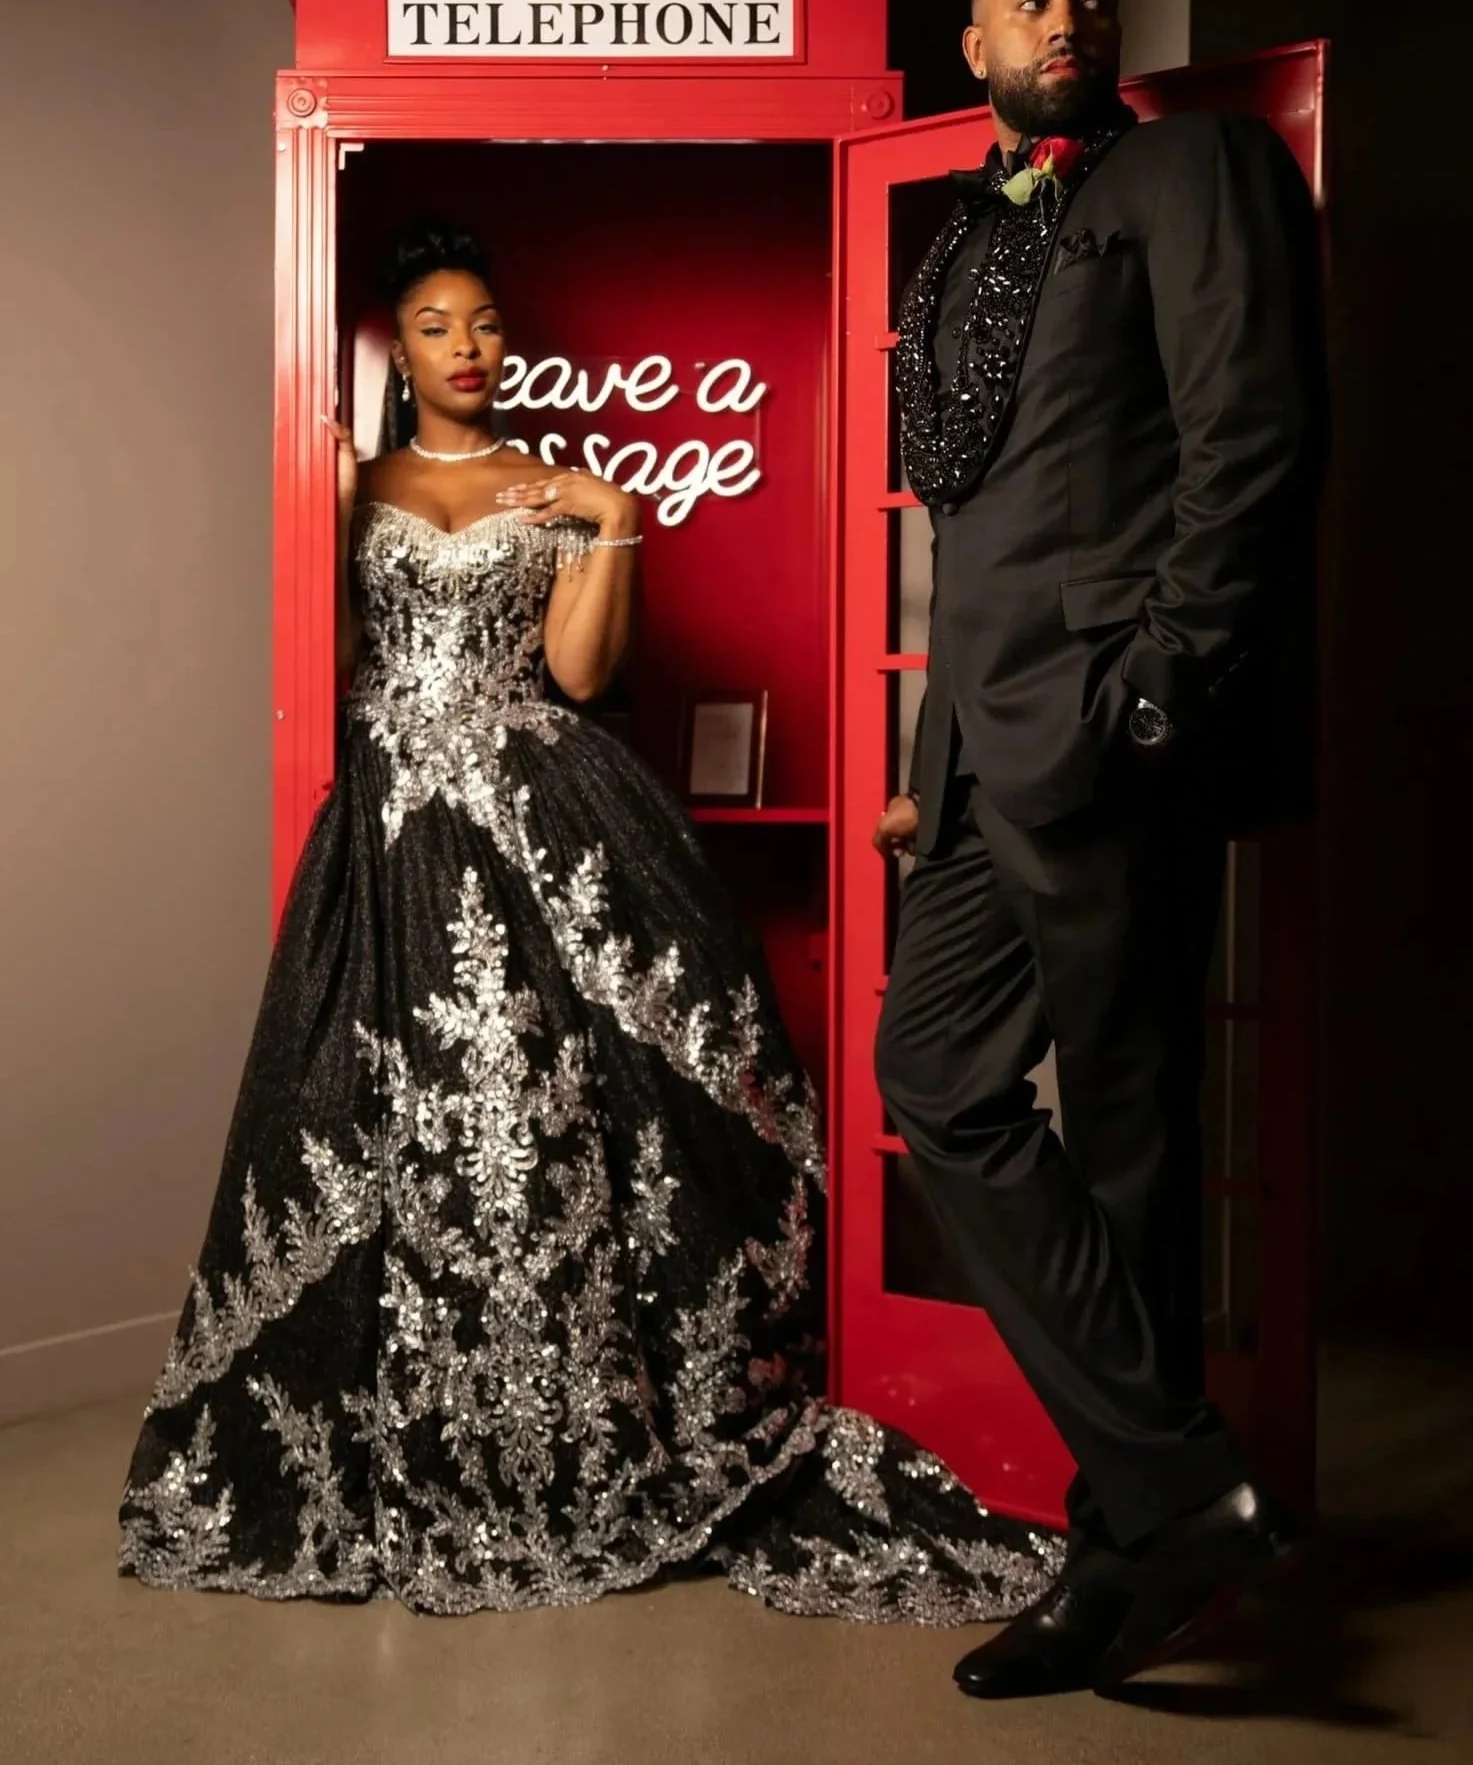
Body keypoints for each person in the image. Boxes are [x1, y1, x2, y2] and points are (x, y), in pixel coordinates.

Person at [118, 217, 1063, 1622]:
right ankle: (420, 1431)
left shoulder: (554, 486)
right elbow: (323, 659)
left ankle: (565, 1422)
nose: (470, 346)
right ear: (402, 346)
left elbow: (574, 671)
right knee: (389, 1122)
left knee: (554, 1116)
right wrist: (316, 511)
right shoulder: (349, 481)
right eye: (439, 325)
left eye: (488, 323)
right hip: (390, 831)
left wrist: (613, 521)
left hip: (529, 812)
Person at [872, 0, 1326, 1696]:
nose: (1070, 19)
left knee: (1135, 1150)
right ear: (970, 34)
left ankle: (1118, 1553)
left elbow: (1258, 431)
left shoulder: (1188, 167)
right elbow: (965, 530)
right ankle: (1185, 1487)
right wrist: (931, 769)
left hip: (1113, 734)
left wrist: (1161, 681)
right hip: (982, 751)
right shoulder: (968, 237)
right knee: (938, 1075)